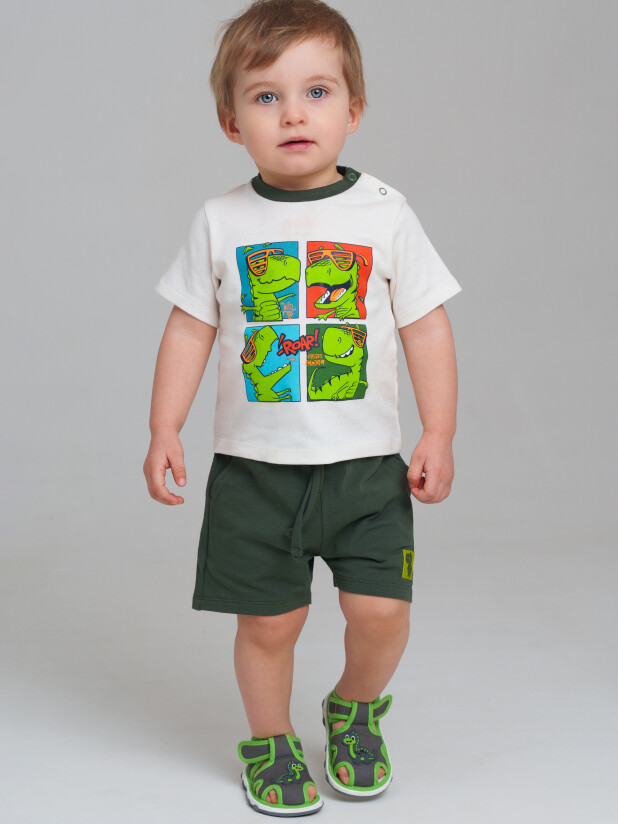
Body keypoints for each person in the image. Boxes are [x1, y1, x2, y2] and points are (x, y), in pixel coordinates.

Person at [143, 0, 461, 816]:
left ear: (354, 110)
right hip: (257, 475)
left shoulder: (384, 213)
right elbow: (189, 328)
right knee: (268, 626)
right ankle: (270, 740)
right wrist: (163, 427)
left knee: (382, 612)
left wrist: (439, 430)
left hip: (366, 472)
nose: (293, 113)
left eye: (317, 92)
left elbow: (426, 325)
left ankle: (354, 708)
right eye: (266, 96)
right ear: (231, 121)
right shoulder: (221, 221)